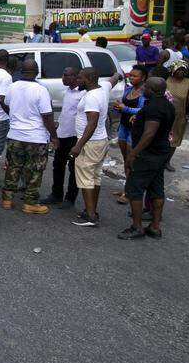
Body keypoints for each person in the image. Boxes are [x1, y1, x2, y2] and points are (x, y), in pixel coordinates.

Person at [120, 77, 175, 239]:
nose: (144, 88)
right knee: (156, 189)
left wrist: (134, 153)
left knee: (134, 189)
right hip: (161, 152)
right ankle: (155, 227)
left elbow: (150, 132)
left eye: (147, 87)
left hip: (148, 154)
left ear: (153, 90)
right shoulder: (167, 105)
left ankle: (137, 227)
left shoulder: (154, 107)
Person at [0, 59, 56, 213]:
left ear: (21, 71)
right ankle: (30, 203)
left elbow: (6, 103)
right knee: (35, 170)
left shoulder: (12, 87)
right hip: (35, 138)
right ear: (37, 72)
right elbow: (47, 115)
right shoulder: (41, 90)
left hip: (15, 135)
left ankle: (7, 199)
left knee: (13, 168)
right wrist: (54, 136)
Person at [70, 67, 116, 228]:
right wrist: (118, 75)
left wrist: (79, 145)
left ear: (89, 79)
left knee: (86, 179)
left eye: (80, 78)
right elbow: (114, 79)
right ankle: (92, 210)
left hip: (89, 143)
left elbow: (92, 122)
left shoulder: (91, 97)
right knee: (95, 177)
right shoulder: (102, 89)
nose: (77, 81)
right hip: (100, 141)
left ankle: (90, 216)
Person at [43, 65, 82, 208]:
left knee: (73, 167)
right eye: (63, 75)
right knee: (58, 165)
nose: (63, 78)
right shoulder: (68, 91)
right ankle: (56, 194)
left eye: (67, 75)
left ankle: (70, 198)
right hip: (63, 134)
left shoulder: (82, 94)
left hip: (74, 136)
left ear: (76, 77)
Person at [113, 65, 147, 204]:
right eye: (130, 75)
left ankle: (130, 192)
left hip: (135, 130)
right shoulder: (129, 89)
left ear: (143, 78)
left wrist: (125, 108)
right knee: (126, 158)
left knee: (131, 160)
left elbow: (144, 110)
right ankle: (127, 187)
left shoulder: (145, 92)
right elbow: (123, 107)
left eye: (135, 76)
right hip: (124, 126)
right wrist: (119, 107)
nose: (131, 77)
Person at [165, 60, 189, 170]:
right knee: (162, 138)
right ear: (173, 70)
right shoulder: (166, 80)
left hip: (179, 116)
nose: (181, 72)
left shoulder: (187, 82)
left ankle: (167, 162)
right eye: (179, 69)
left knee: (175, 140)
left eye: (183, 70)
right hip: (164, 115)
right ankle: (159, 161)